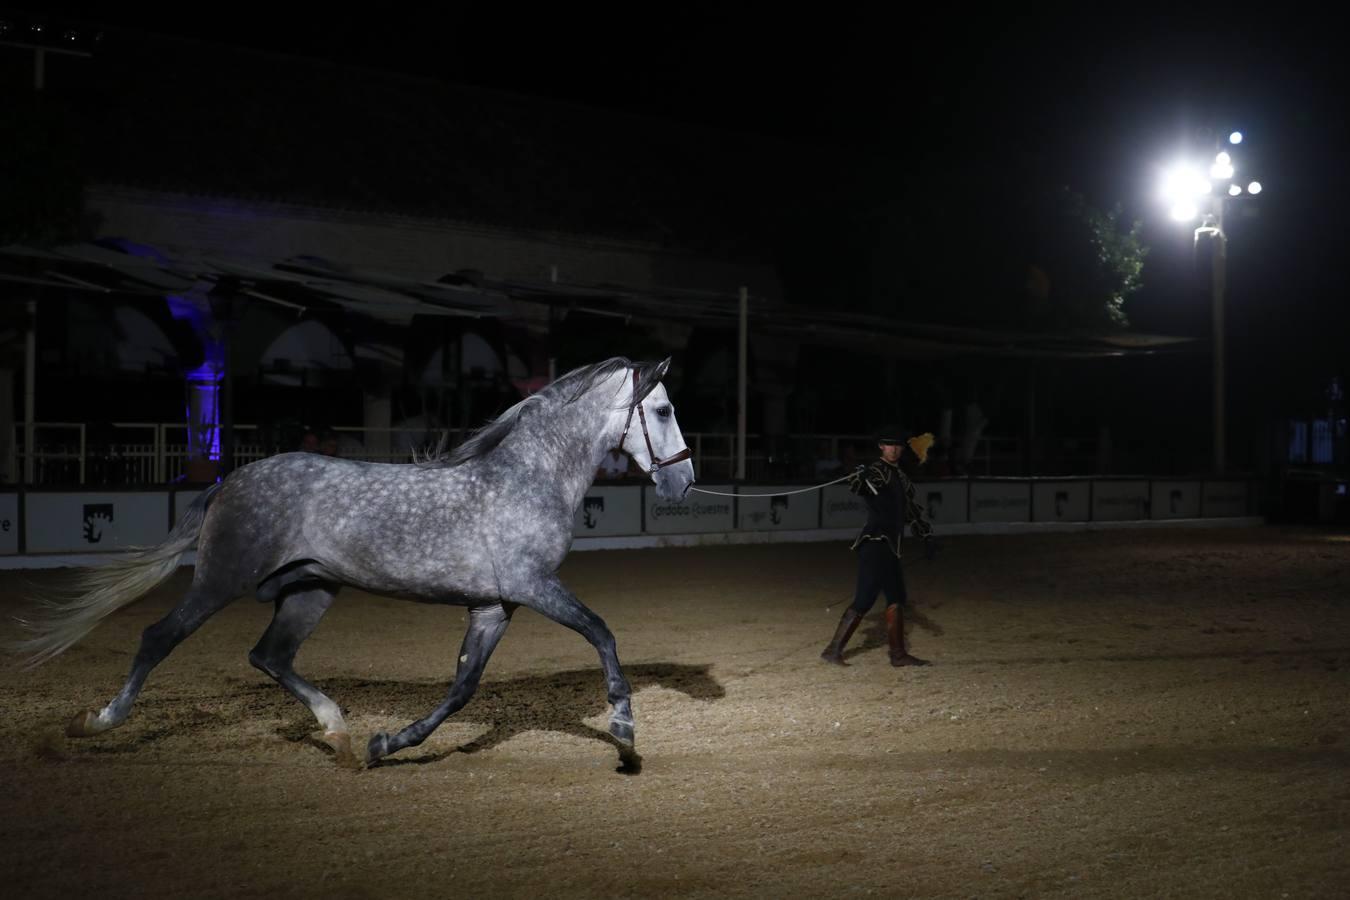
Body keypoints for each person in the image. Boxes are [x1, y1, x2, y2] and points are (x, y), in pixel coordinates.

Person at [821, 425, 938, 667]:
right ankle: (833, 650)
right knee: (866, 599)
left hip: (889, 547)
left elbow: (911, 510)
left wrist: (926, 536)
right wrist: (859, 477)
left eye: (898, 446)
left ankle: (897, 654)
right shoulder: (877, 470)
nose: (894, 450)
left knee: (895, 597)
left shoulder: (901, 477)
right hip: (875, 544)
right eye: (889, 445)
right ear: (881, 447)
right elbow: (859, 486)